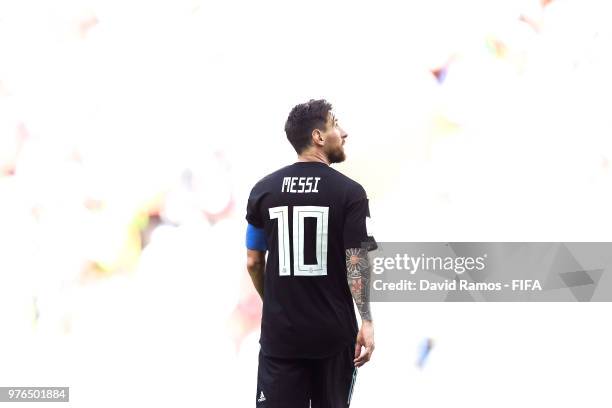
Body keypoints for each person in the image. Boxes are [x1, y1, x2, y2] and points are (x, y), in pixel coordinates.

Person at [245, 99, 376, 408]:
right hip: (333, 337)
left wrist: (276, 305)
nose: (344, 133)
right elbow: (355, 260)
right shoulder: (350, 193)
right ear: (318, 136)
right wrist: (367, 321)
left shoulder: (262, 191)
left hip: (282, 338)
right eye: (336, 125)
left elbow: (253, 261)